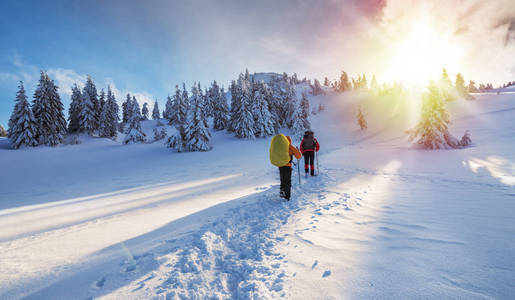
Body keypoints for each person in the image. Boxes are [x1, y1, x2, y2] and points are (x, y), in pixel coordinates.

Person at [279, 135, 302, 200]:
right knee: (287, 180)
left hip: (280, 166)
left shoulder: (280, 147)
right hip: (288, 166)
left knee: (282, 178)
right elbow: (299, 155)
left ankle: (282, 190)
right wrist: (297, 151)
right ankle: (287, 196)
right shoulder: (290, 147)